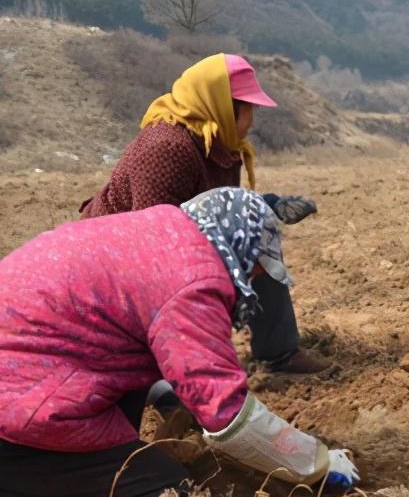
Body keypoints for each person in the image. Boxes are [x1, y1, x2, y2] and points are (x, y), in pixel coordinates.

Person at [0, 188, 358, 497]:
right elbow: (230, 417)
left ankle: (1, 469)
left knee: (142, 400)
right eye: (259, 265)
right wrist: (314, 465)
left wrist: (173, 393)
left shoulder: (161, 232)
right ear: (240, 246)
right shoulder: (194, 283)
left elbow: (121, 329)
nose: (257, 278)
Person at [80, 53, 329, 375]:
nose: (251, 120)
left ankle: (278, 351)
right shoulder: (167, 147)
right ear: (222, 106)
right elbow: (153, 235)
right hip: (117, 253)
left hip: (175, 235)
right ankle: (175, 373)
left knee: (257, 238)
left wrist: (268, 205)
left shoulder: (218, 141)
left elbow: (220, 205)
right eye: (247, 109)